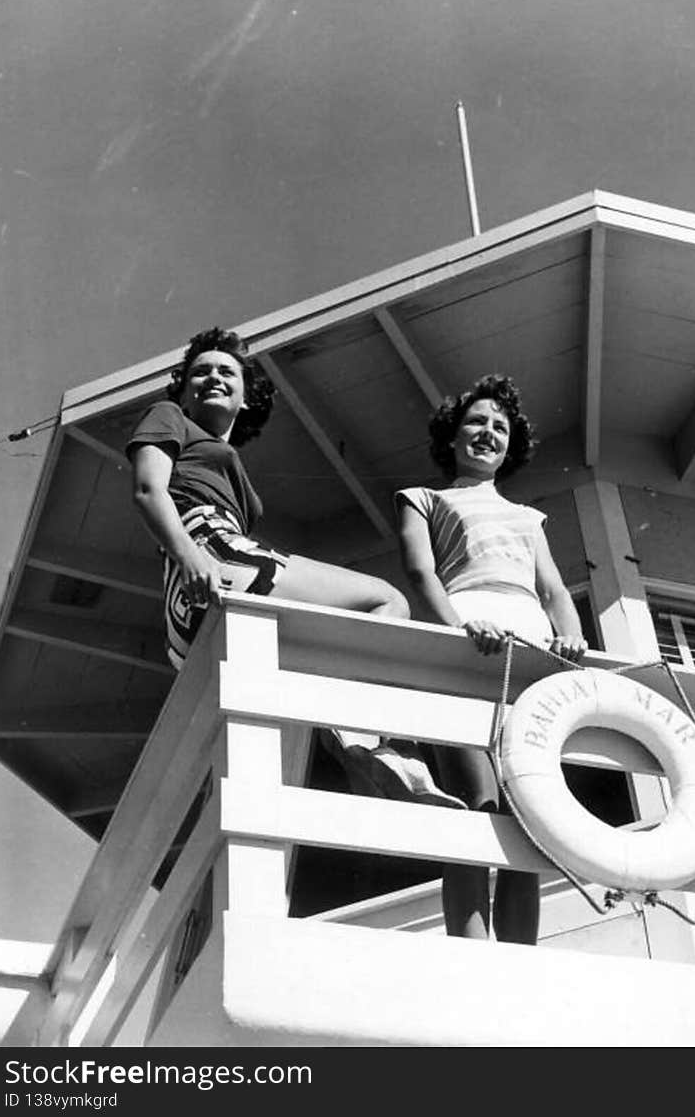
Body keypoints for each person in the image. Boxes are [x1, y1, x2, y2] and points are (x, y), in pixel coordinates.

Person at [126, 326, 462, 807]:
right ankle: (372, 742)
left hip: (187, 609)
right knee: (385, 600)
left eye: (227, 371)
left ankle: (370, 756)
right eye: (200, 371)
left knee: (276, 713)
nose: (213, 377)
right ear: (182, 389)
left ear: (246, 398)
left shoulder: (226, 457)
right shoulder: (167, 417)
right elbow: (147, 491)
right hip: (209, 554)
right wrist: (191, 555)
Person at [395, 374, 587, 943]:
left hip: (527, 653)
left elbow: (554, 592)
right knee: (473, 802)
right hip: (466, 643)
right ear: (453, 437)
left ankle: (520, 954)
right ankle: (474, 948)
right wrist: (458, 626)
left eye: (500, 427)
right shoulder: (424, 499)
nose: (487, 433)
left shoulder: (530, 519)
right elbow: (420, 572)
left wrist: (569, 637)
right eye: (476, 422)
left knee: (525, 809)